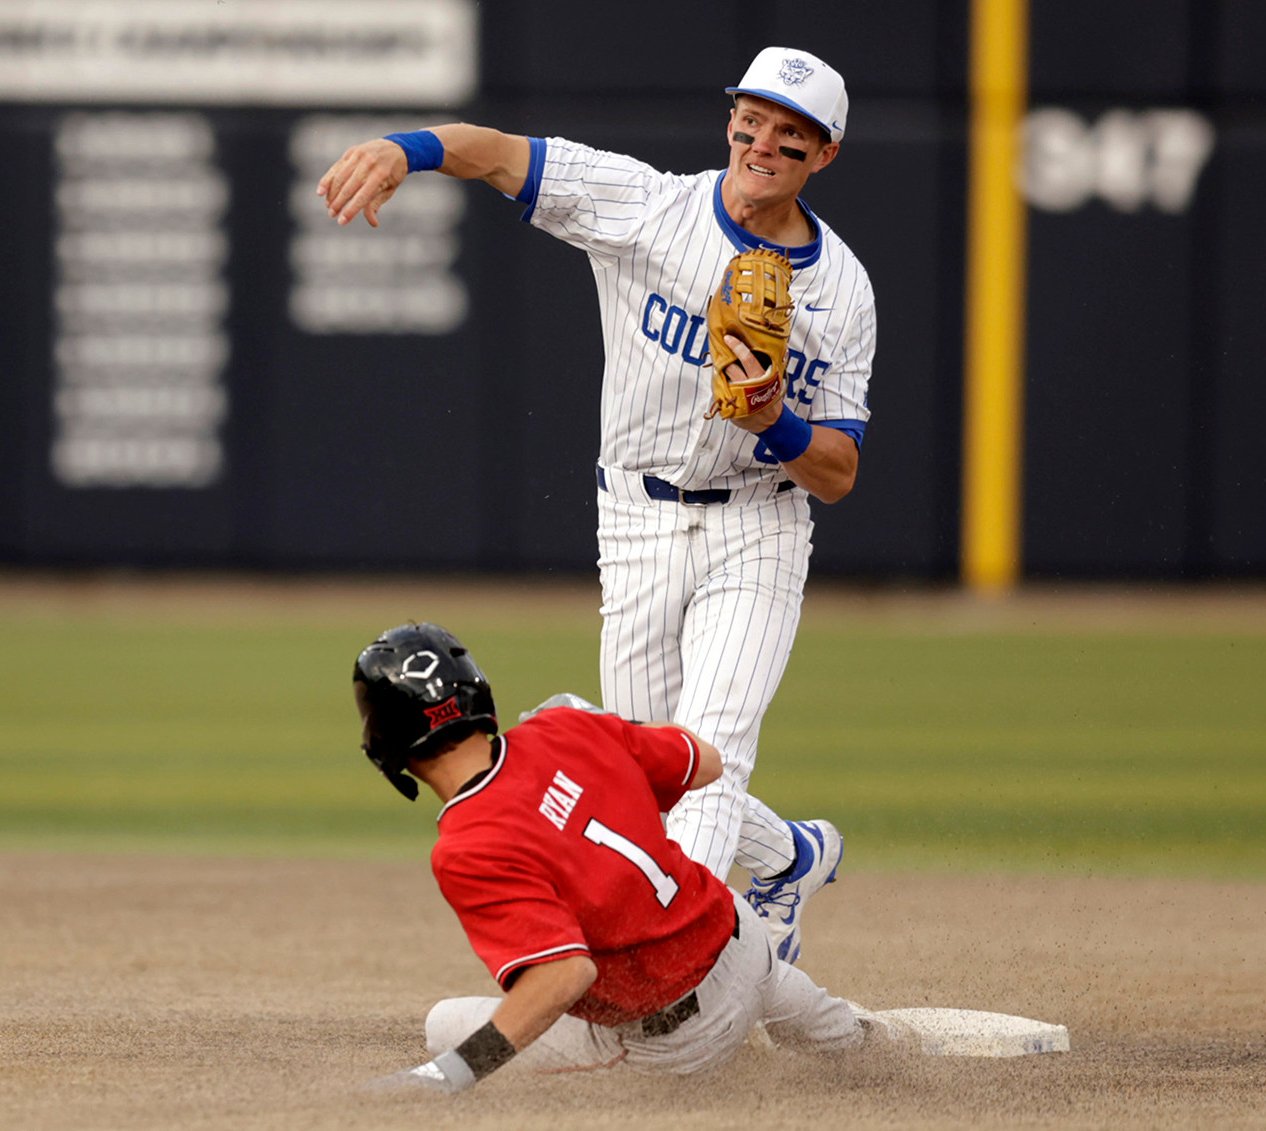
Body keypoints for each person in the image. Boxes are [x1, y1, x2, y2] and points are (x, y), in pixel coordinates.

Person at [319, 47, 874, 961]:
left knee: (713, 743)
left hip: (759, 519)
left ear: (825, 154)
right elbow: (496, 153)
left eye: (793, 132)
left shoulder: (843, 291)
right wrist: (403, 148)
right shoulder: (649, 206)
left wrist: (774, 421)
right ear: (731, 117)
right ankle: (791, 855)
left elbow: (839, 470)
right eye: (754, 117)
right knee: (648, 774)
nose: (764, 141)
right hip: (639, 515)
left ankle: (697, 969)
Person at [352, 622, 870, 1092]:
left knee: (444, 1026)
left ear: (388, 745)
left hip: (681, 1043)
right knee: (841, 1031)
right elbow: (707, 763)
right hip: (746, 944)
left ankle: (738, 1057)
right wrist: (611, 729)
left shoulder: (466, 845)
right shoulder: (562, 728)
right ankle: (852, 1039)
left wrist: (452, 1075)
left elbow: (565, 975)